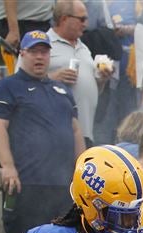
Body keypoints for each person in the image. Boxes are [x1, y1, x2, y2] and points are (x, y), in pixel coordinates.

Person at [0, 29, 85, 233]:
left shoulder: (62, 91)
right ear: (23, 54)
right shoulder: (6, 87)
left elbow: (76, 132)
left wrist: (82, 173)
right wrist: (7, 166)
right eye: (34, 51)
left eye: (44, 51)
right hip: (26, 182)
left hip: (62, 186)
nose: (40, 57)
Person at [47, 0, 108, 144]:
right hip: (56, 134)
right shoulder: (42, 44)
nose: (86, 24)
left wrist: (101, 80)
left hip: (85, 133)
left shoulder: (84, 48)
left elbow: (92, 91)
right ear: (64, 19)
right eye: (82, 19)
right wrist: (53, 78)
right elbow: (21, 83)